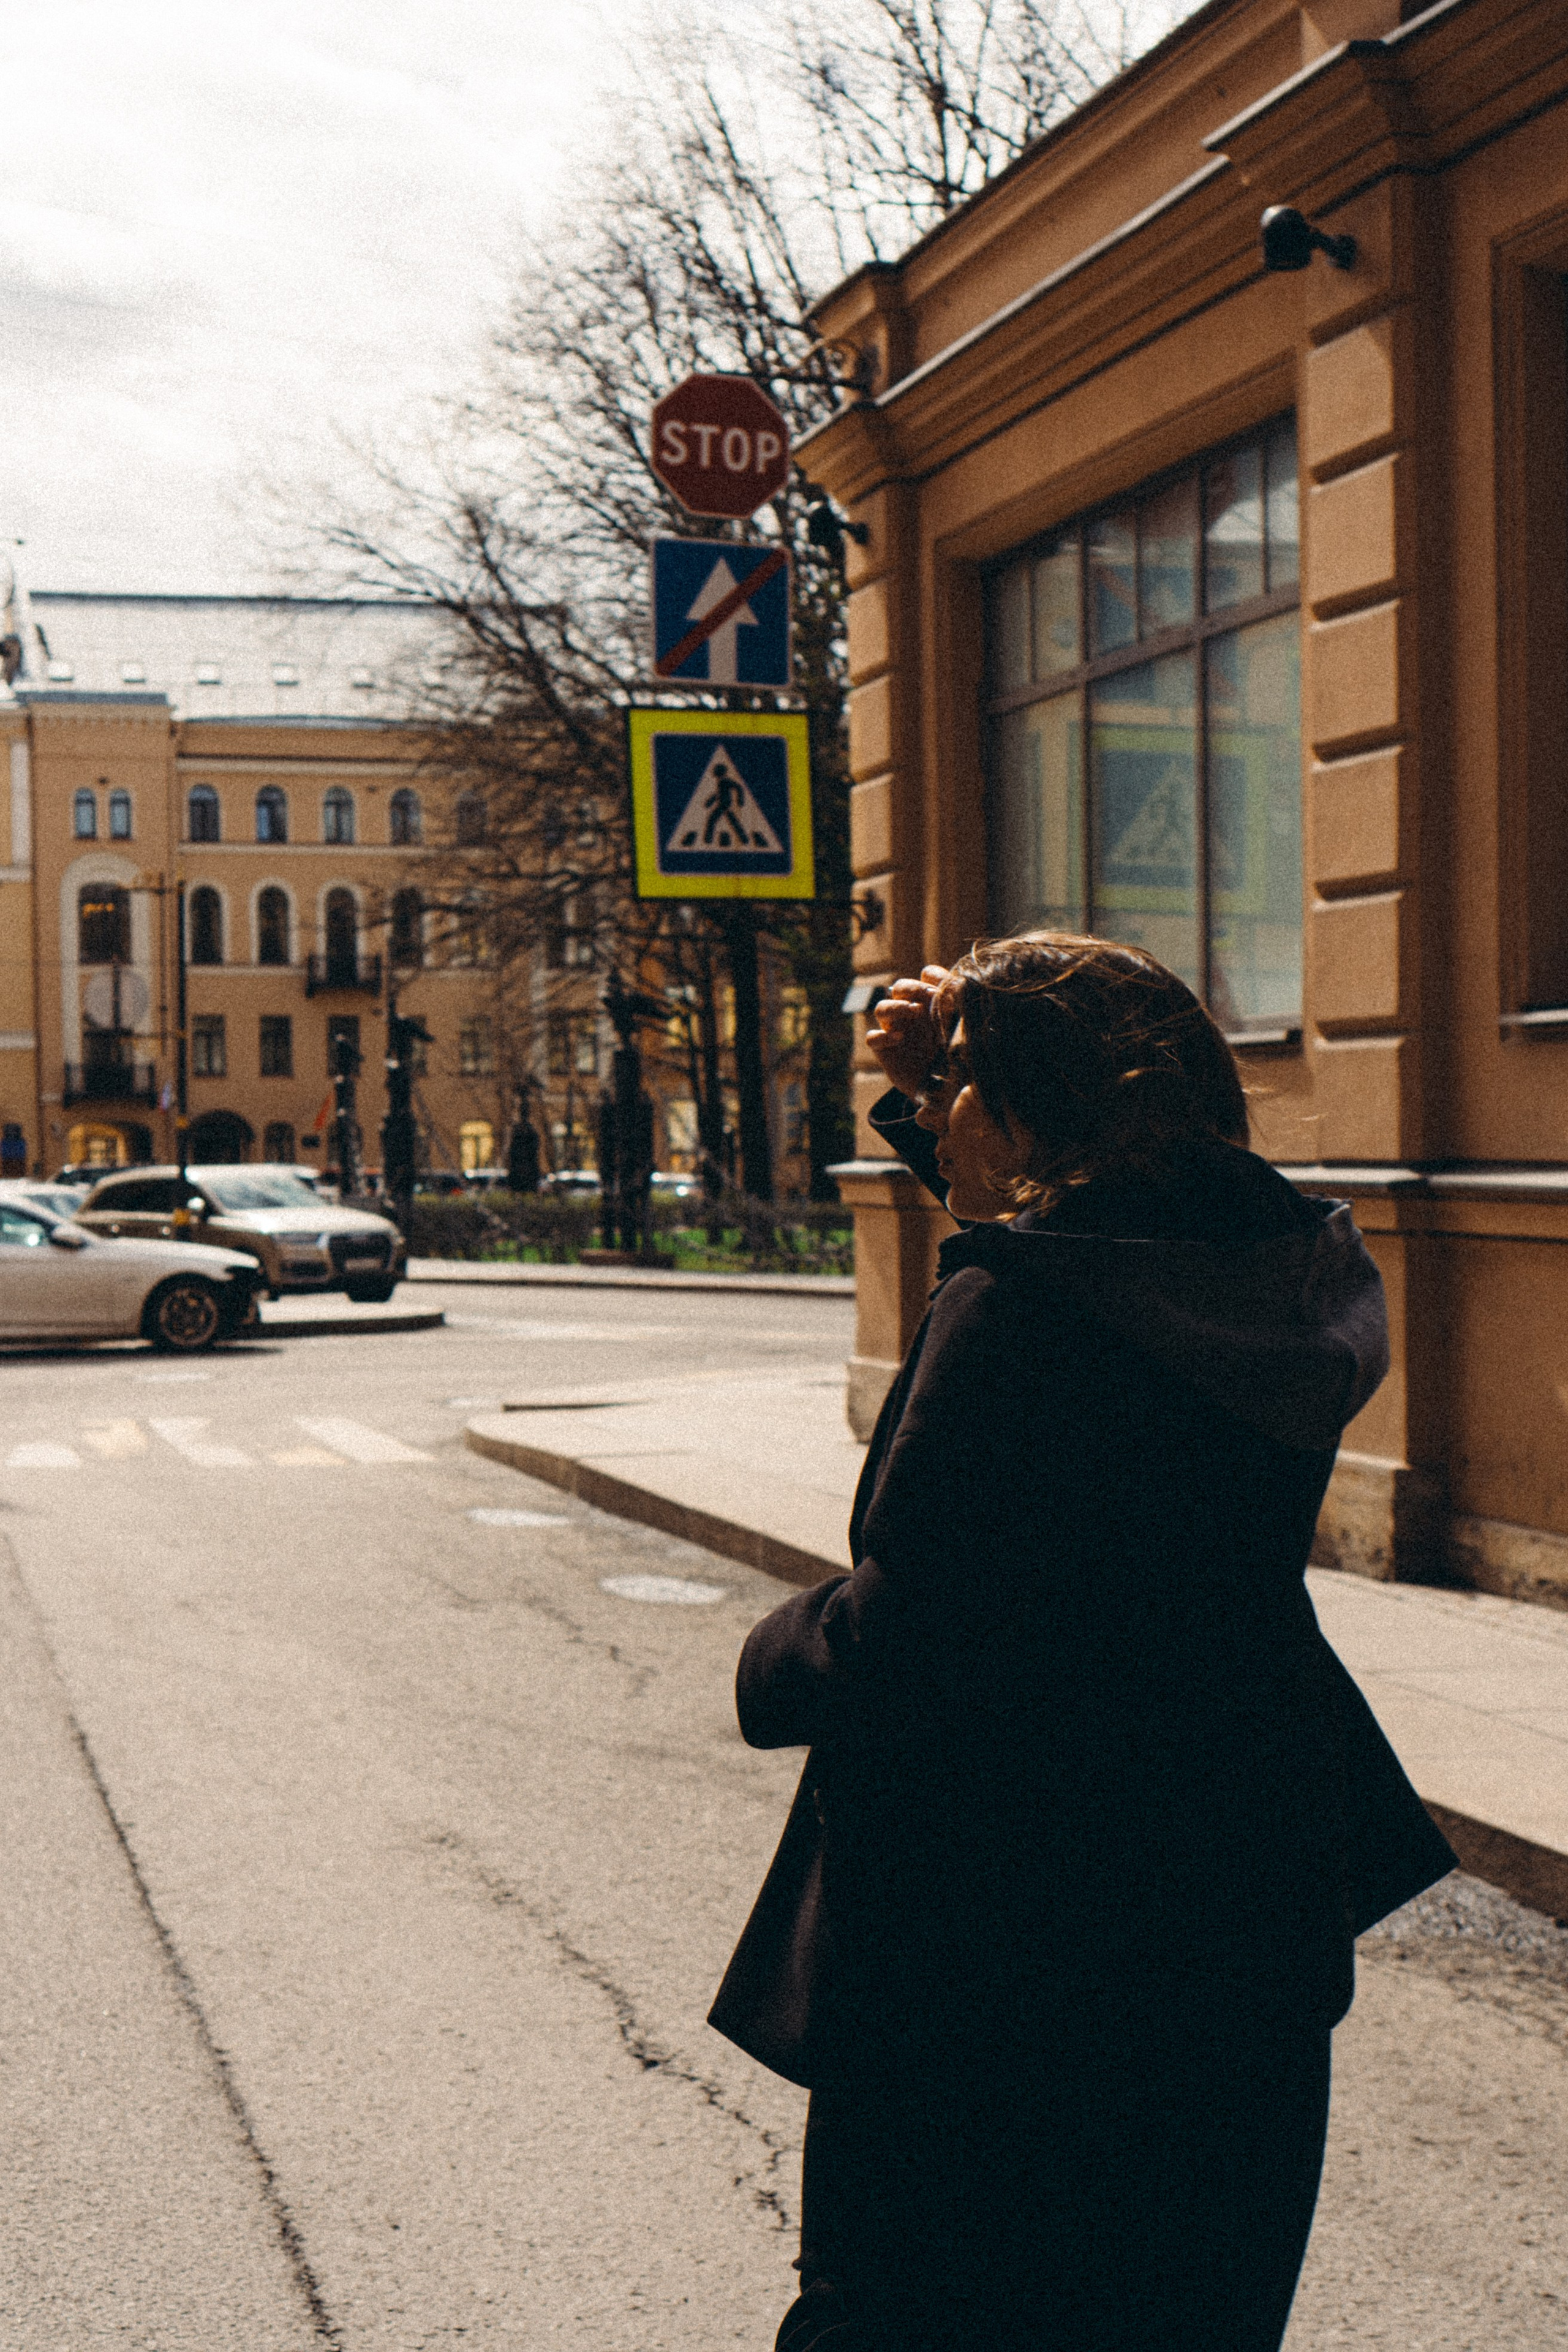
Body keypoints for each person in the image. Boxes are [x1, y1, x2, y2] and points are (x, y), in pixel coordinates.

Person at [709, 932, 1456, 2352]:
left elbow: (905, 1638)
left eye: (957, 1095)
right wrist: (950, 1068)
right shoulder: (1275, 1273)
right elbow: (1101, 1237)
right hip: (1237, 1910)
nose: (933, 1122)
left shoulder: (1015, 1314)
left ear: (1033, 1113)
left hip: (1006, 1950)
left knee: (909, 2311)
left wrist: (776, 1649)